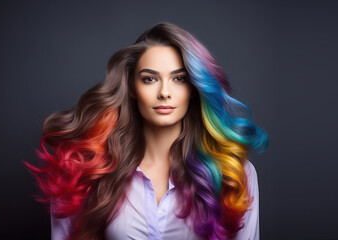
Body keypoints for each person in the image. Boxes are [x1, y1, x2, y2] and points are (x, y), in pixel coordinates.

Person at [25, 22, 268, 240]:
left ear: (194, 88)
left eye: (179, 79)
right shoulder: (87, 168)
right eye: (150, 79)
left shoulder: (234, 174)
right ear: (132, 87)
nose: (165, 92)